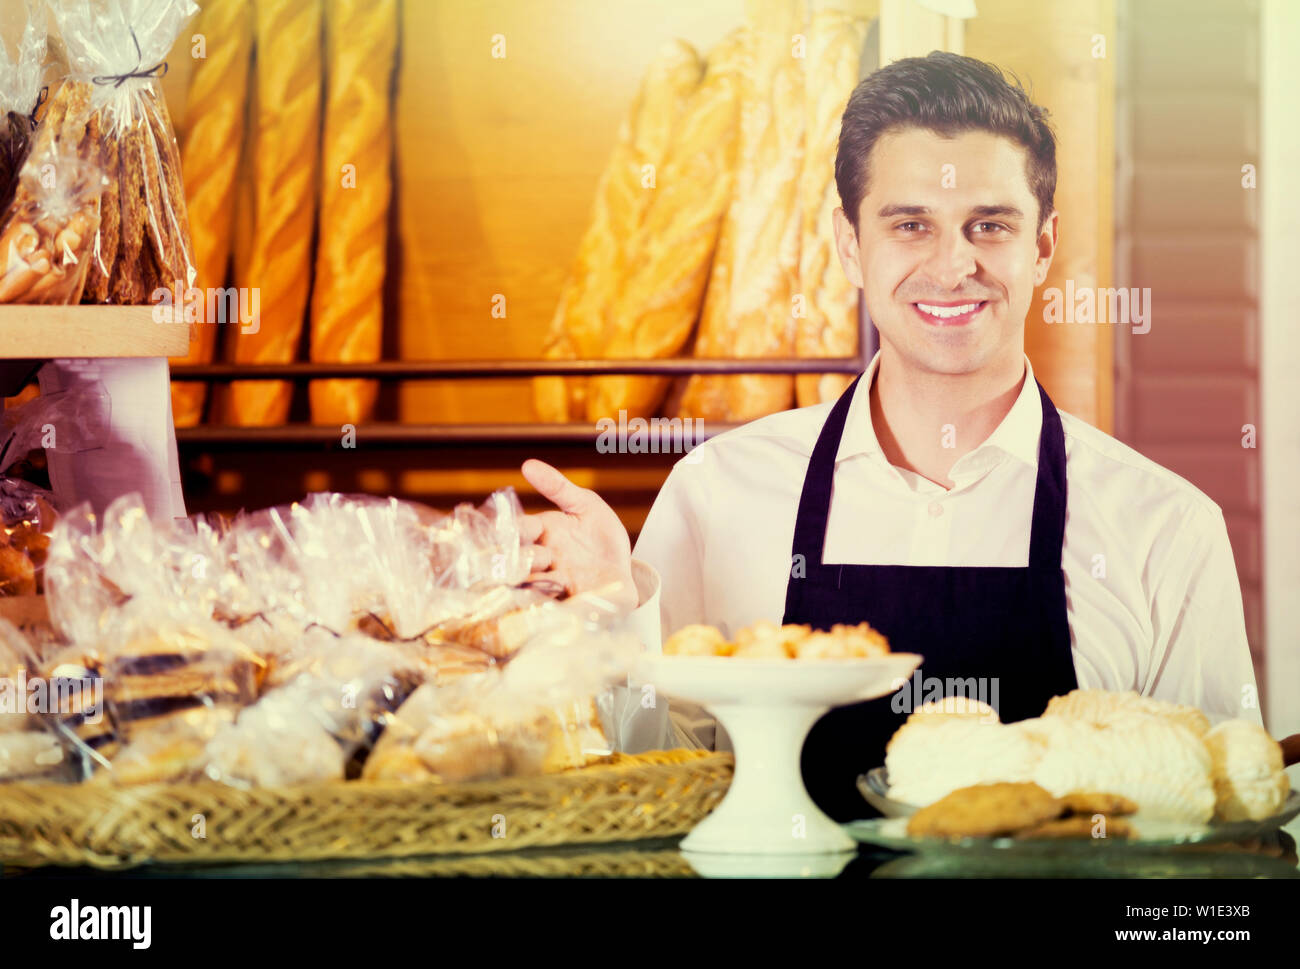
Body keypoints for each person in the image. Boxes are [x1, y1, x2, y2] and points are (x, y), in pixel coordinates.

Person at [520, 52, 1261, 821]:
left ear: (1042, 248)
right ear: (849, 245)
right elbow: (657, 793)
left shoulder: (1166, 529)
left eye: (991, 225)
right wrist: (615, 617)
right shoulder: (717, 494)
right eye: (911, 225)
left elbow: (1220, 832)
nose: (954, 265)